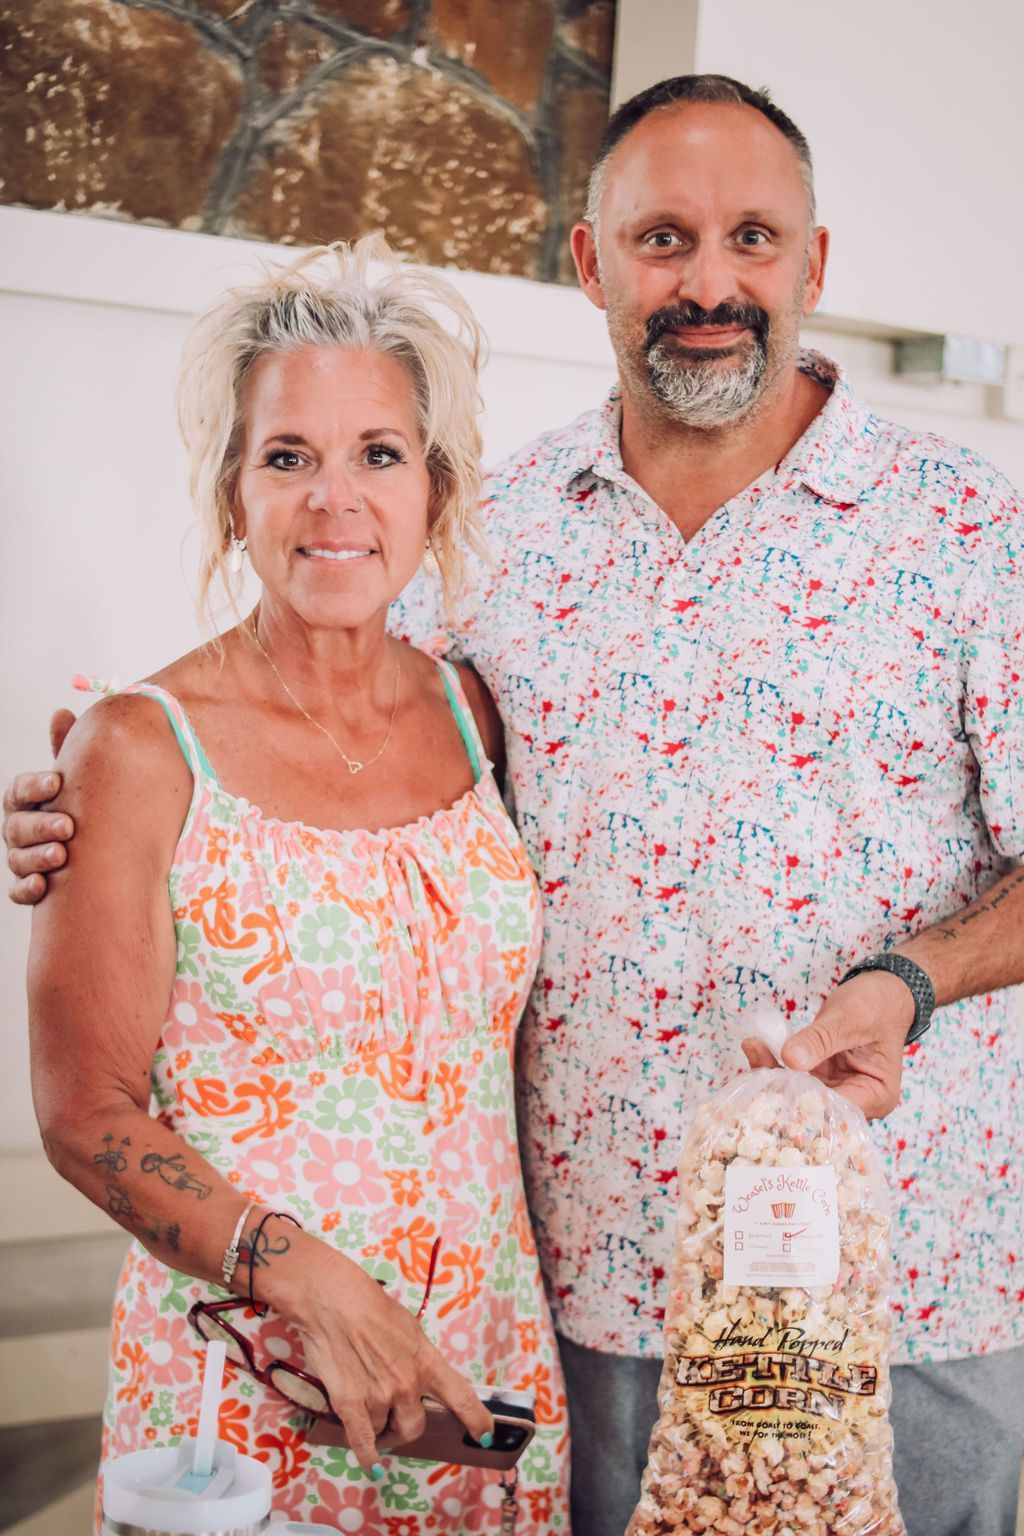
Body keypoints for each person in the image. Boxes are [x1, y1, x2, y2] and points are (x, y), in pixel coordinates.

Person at [8, 74, 1024, 1536]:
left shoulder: (967, 529)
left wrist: (911, 980)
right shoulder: (497, 547)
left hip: (899, 1282)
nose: (709, 282)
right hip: (591, 1294)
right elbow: (297, 705)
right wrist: (82, 798)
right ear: (588, 261)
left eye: (752, 237)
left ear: (812, 265)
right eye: (662, 238)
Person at [17, 237, 569, 1534]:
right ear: (230, 495)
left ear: (433, 489)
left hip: (478, 1364)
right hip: (243, 1391)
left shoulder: (472, 709)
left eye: (378, 453)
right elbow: (82, 1113)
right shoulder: (141, 748)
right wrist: (305, 1279)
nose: (337, 500)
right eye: (288, 456)